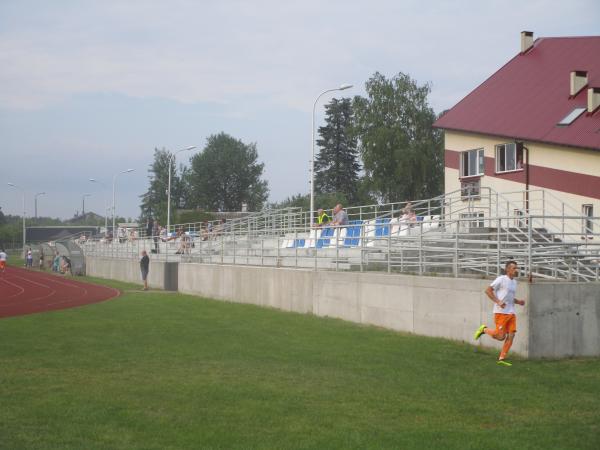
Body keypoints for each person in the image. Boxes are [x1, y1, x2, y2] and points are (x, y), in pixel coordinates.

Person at [474, 260, 526, 366]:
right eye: (513, 268)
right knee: (500, 337)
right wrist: (498, 302)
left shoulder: (514, 282)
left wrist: (518, 301)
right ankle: (484, 329)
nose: (515, 270)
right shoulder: (501, 279)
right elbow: (488, 290)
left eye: (516, 268)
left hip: (511, 313)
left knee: (511, 335)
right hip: (501, 312)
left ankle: (501, 359)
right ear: (507, 269)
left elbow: (510, 298)